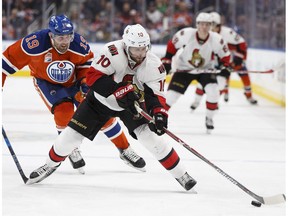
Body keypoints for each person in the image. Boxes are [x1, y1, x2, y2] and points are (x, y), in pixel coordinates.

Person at [26, 24, 197, 191]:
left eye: (144, 48)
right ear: (126, 46)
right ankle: (49, 165)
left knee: (150, 138)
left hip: (132, 105)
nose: (140, 53)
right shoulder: (112, 51)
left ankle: (181, 174)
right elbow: (92, 77)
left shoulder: (154, 64)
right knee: (70, 137)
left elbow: (156, 96)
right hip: (100, 101)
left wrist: (159, 114)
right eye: (136, 49)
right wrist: (118, 90)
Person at [2, 14, 146, 174]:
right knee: (63, 111)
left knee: (101, 112)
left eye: (68, 37)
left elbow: (88, 65)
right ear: (51, 35)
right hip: (46, 82)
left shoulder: (79, 44)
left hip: (75, 82)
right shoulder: (33, 44)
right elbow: (4, 64)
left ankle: (125, 149)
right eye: (60, 37)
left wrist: (84, 82)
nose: (65, 41)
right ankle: (70, 148)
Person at [161, 12, 231, 133]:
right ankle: (159, 118)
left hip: (206, 70)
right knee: (171, 97)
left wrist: (225, 67)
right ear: (197, 25)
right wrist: (167, 60)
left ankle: (209, 118)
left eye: (207, 24)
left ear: (211, 26)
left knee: (213, 92)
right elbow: (172, 45)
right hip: (184, 69)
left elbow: (225, 56)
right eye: (202, 24)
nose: (204, 27)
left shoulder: (216, 39)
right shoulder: (186, 34)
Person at [190, 11, 257, 109]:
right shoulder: (205, 34)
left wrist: (239, 58)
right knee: (204, 81)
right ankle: (197, 101)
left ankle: (249, 96)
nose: (210, 28)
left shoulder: (228, 33)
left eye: (213, 25)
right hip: (216, 62)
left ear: (219, 25)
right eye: (209, 25)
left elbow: (242, 44)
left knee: (244, 75)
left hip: (233, 61)